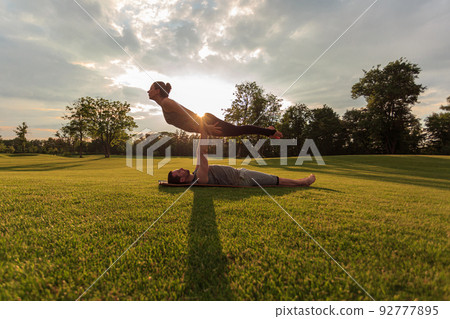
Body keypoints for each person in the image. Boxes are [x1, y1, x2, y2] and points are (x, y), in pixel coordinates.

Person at [167, 120, 316, 187]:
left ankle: (268, 131)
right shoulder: (200, 177)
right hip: (242, 178)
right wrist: (203, 129)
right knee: (275, 180)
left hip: (240, 174)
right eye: (178, 172)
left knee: (274, 180)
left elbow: (200, 151)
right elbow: (203, 152)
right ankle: (303, 182)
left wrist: (203, 128)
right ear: (181, 180)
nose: (180, 169)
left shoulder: (197, 172)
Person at [148, 81, 283, 138]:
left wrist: (206, 126)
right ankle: (269, 131)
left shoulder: (167, 102)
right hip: (203, 125)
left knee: (238, 130)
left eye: (151, 88)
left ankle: (269, 131)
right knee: (237, 130)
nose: (148, 91)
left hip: (206, 122)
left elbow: (188, 113)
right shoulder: (164, 104)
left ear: (157, 91)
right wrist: (204, 128)